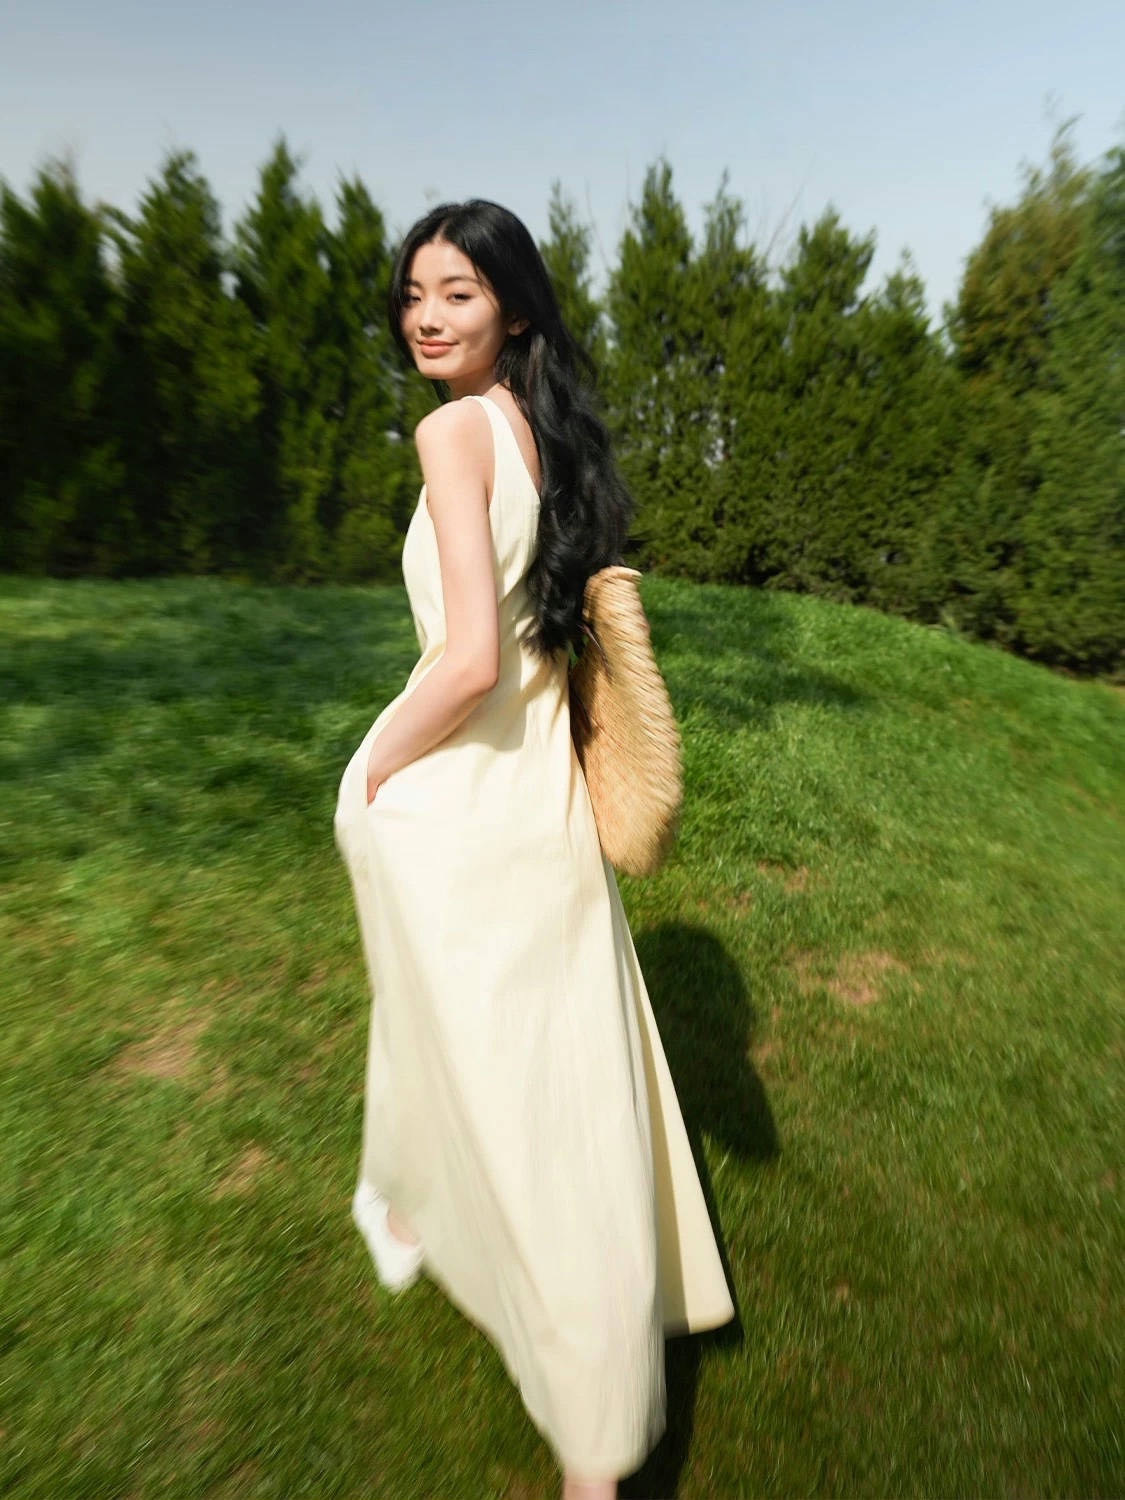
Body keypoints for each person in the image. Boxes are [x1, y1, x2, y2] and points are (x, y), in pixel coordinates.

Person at [333, 199, 734, 1500]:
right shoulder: (546, 430)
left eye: (456, 291)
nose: (426, 317)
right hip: (543, 803)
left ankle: (590, 1447)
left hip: (464, 800)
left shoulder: (452, 432)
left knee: (502, 1088)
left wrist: (373, 766)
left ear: (510, 305)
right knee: (563, 1082)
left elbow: (465, 663)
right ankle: (438, 1213)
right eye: (413, 294)